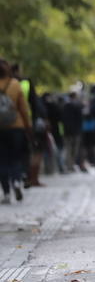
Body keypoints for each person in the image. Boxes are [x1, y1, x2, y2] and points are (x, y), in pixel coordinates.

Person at [0, 58, 33, 203]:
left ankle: (6, 193)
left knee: (2, 160)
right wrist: (28, 126)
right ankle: (17, 181)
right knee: (16, 157)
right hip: (16, 127)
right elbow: (23, 108)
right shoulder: (15, 85)